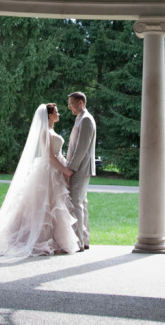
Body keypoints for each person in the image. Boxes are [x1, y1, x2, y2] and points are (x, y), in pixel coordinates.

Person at [0, 103, 81, 257]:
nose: (59, 114)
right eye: (57, 112)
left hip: (54, 171)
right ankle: (37, 239)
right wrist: (63, 169)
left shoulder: (51, 130)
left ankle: (53, 238)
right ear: (49, 115)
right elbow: (48, 155)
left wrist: (64, 167)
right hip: (47, 171)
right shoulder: (45, 132)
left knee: (53, 205)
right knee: (43, 205)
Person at [65, 91, 96, 250]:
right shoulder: (80, 119)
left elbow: (81, 148)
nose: (70, 108)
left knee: (76, 202)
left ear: (80, 103)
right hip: (79, 167)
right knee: (81, 202)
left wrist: (70, 168)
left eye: (71, 104)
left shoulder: (86, 120)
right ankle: (84, 240)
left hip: (81, 168)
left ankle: (78, 242)